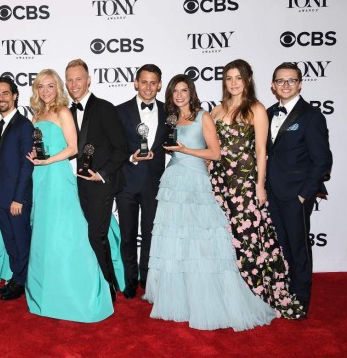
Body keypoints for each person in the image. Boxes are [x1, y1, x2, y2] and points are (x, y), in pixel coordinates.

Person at [142, 74, 276, 331]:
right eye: (175, 91)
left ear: (191, 92)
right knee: (174, 242)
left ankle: (206, 299)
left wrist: (185, 150)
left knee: (201, 243)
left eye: (184, 90)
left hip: (196, 182)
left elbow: (215, 153)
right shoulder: (171, 119)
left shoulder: (204, 116)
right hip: (173, 182)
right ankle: (179, 299)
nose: (179, 95)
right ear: (169, 95)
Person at [210, 59, 305, 318]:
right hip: (220, 184)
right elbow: (214, 150)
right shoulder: (216, 111)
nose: (233, 83)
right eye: (229, 78)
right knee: (225, 242)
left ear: (248, 80)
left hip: (244, 185)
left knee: (248, 241)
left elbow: (262, 151)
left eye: (238, 78)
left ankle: (255, 295)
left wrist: (260, 186)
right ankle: (228, 295)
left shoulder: (256, 109)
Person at [25, 69, 113, 322]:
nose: (45, 91)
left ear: (58, 88)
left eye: (50, 86)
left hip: (57, 177)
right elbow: (37, 145)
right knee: (44, 235)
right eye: (41, 86)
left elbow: (73, 148)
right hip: (40, 176)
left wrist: (48, 161)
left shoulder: (63, 111)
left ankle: (76, 293)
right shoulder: (37, 115)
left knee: (65, 233)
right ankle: (45, 293)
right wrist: (35, 158)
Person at [266, 62, 332, 316]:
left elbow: (322, 160)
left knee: (298, 248)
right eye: (280, 81)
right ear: (273, 85)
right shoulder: (269, 112)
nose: (285, 85)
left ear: (300, 84)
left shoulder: (311, 116)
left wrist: (305, 193)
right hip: (270, 193)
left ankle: (300, 301)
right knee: (278, 247)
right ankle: (282, 295)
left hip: (296, 196)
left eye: (290, 81)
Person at [65, 59, 127, 300]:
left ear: (88, 80)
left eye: (78, 79)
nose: (74, 84)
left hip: (100, 184)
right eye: (69, 80)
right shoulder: (67, 112)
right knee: (84, 236)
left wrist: (101, 174)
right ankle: (93, 283)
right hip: (76, 185)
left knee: (97, 235)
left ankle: (108, 286)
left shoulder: (104, 108)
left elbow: (121, 148)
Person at [116, 64, 168, 299]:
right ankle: (129, 280)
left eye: (153, 82)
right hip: (127, 182)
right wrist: (130, 157)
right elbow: (114, 147)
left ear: (159, 85)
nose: (148, 87)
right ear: (136, 83)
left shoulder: (170, 112)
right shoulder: (120, 111)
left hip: (155, 183)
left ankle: (146, 277)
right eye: (143, 82)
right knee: (127, 234)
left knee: (150, 234)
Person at [0, 76, 34, 300]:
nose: (1, 98)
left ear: (15, 95)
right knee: (10, 241)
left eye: (5, 93)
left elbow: (27, 164)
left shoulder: (24, 125)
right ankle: (17, 278)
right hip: (0, 198)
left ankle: (23, 282)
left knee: (21, 241)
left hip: (16, 199)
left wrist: (19, 198)